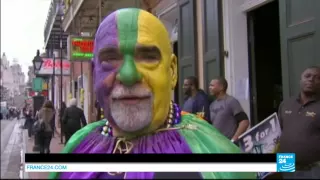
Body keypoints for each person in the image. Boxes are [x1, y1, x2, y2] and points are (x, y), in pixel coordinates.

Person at [49, 8, 255, 179]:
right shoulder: (78, 144)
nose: (128, 75)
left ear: (172, 71)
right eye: (111, 59)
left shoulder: (217, 157)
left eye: (147, 57)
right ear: (94, 74)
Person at [278, 66, 320, 179]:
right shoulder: (285, 104)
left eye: (317, 78)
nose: (311, 79)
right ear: (300, 80)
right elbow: (279, 133)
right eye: (307, 76)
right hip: (286, 163)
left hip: (314, 169)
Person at [209, 77, 249, 142]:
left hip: (228, 144)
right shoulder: (212, 105)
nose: (209, 87)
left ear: (221, 87)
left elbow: (244, 122)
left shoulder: (231, 101)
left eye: (212, 85)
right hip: (216, 144)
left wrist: (233, 140)